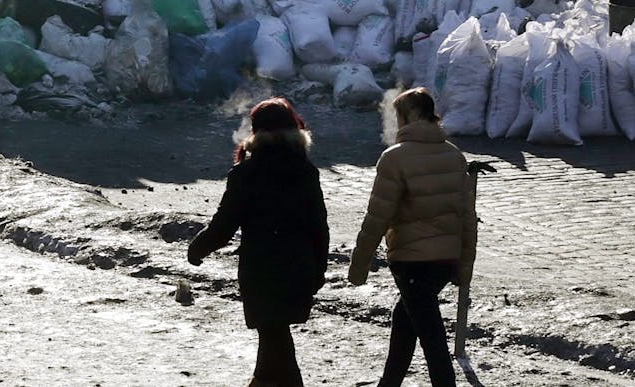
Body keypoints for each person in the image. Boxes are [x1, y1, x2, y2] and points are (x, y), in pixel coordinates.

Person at [187, 97, 329, 387]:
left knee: (275, 339)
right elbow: (319, 226)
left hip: (262, 271)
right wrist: (318, 270)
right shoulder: (306, 170)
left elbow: (225, 224)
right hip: (299, 267)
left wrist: (198, 248)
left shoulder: (247, 173)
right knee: (273, 338)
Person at [348, 87, 477, 387]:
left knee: (432, 339)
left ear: (410, 116)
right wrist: (463, 266)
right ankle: (388, 383)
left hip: (412, 262)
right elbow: (467, 217)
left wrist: (359, 266)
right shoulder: (454, 155)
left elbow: (377, 218)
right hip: (445, 260)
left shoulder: (395, 158)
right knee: (406, 319)